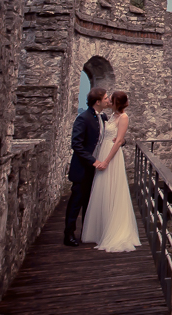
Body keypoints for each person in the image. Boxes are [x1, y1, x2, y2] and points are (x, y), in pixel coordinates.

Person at [81, 91, 141, 252]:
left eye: (111, 100)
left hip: (112, 157)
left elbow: (120, 140)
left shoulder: (123, 117)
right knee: (103, 190)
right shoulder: (109, 116)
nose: (108, 102)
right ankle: (101, 229)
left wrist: (106, 160)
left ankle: (114, 230)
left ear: (117, 103)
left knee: (113, 189)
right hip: (103, 151)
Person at [64, 87, 110, 246]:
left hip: (95, 169)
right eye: (105, 98)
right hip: (83, 168)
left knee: (90, 202)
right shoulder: (83, 118)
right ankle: (68, 234)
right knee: (76, 201)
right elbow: (76, 145)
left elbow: (103, 138)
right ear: (97, 102)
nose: (107, 100)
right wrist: (93, 161)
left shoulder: (103, 117)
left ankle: (86, 232)